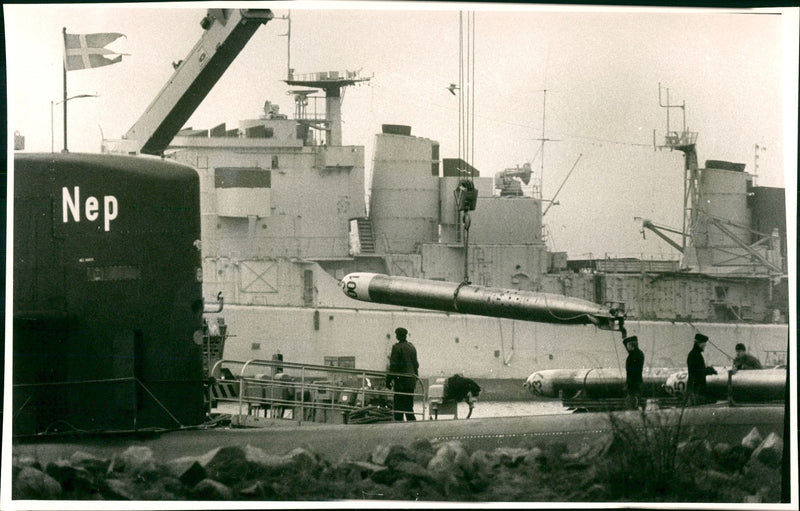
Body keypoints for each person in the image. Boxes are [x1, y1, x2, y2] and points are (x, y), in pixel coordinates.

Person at [387, 327, 419, 421]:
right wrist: (415, 377)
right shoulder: (411, 347)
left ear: (397, 336)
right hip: (411, 380)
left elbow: (394, 366)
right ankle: (412, 424)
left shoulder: (397, 348)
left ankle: (399, 426)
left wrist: (388, 381)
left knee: (398, 408)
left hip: (401, 381)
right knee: (409, 406)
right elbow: (416, 364)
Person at [686, 333, 718, 405]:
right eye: (704, 344)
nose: (705, 346)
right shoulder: (696, 355)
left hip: (694, 388)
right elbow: (699, 372)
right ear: (699, 343)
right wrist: (710, 371)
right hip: (697, 389)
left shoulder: (693, 354)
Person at [623, 335, 645, 410]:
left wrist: (628, 385)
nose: (627, 347)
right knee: (634, 402)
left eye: (627, 345)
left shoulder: (634, 355)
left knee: (631, 404)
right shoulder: (638, 354)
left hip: (634, 385)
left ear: (631, 345)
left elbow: (632, 372)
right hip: (636, 384)